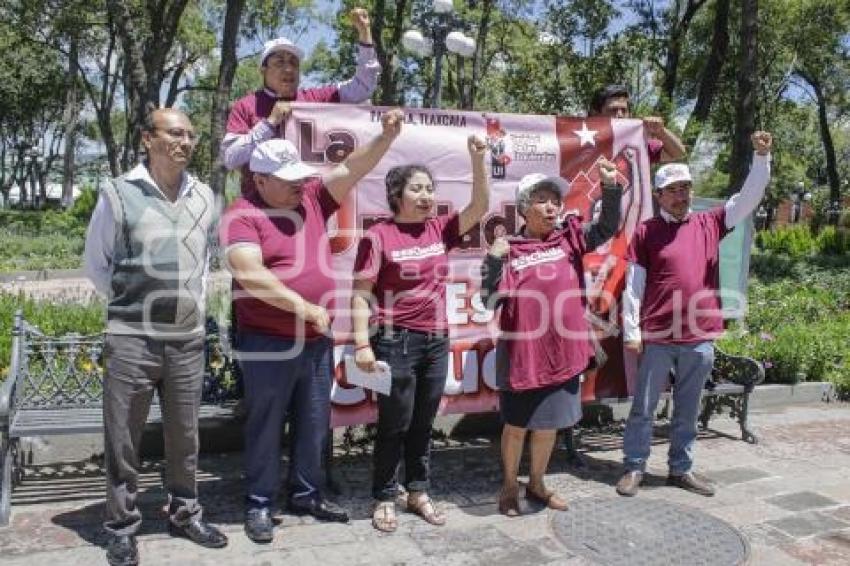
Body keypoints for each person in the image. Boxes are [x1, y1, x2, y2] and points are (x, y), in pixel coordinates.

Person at [220, 109, 405, 543]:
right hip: (268, 341)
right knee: (265, 424)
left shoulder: (312, 199)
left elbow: (352, 166)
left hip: (316, 340)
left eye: (301, 177)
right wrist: (305, 307)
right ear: (260, 180)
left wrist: (386, 136)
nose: (299, 185)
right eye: (287, 179)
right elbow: (249, 274)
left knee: (315, 420)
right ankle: (260, 502)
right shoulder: (242, 215)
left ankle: (307, 492)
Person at [83, 108, 227, 566]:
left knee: (185, 437)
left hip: (186, 340)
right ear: (148, 139)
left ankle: (185, 514)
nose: (184, 142)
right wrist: (136, 306)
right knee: (123, 439)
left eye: (190, 134)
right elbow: (96, 264)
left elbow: (203, 264)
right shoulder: (119, 193)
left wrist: (191, 307)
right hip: (131, 339)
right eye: (173, 133)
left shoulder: (205, 195)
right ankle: (121, 527)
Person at [616, 131, 773, 498]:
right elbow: (633, 284)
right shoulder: (645, 232)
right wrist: (631, 330)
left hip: (699, 337)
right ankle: (635, 467)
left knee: (687, 409)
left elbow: (748, 198)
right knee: (643, 408)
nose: (681, 195)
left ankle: (680, 469)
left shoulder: (711, 222)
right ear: (659, 196)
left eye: (685, 188)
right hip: (657, 336)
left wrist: (761, 158)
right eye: (672, 190)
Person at [350, 135, 490, 532]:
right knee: (394, 423)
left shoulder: (441, 229)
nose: (426, 195)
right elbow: (360, 294)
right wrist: (362, 344)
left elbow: (479, 206)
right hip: (395, 341)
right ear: (397, 194)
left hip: (436, 339)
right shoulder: (378, 236)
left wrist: (478, 160)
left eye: (430, 188)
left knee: (424, 422)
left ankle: (418, 491)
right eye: (417, 188)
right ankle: (383, 495)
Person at [480, 161, 623, 516]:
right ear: (524, 207)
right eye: (541, 199)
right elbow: (489, 301)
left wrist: (611, 188)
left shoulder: (570, 238)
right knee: (516, 427)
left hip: (562, 353)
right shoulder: (509, 248)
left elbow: (607, 226)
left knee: (548, 426)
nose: (551, 206)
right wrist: (494, 262)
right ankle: (510, 486)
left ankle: (538, 484)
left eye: (555, 200)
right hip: (522, 356)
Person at [221, 7, 381, 196]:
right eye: (279, 62)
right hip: (261, 209)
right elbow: (230, 158)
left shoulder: (316, 99)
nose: (288, 69)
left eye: (294, 63)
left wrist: (365, 33)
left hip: (309, 207)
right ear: (262, 71)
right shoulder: (246, 105)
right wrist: (269, 124)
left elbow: (363, 86)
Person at [589, 84, 687, 164]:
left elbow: (678, 153)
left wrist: (660, 131)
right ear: (596, 114)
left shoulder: (637, 145)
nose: (619, 115)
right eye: (613, 110)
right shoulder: (581, 142)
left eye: (624, 110)